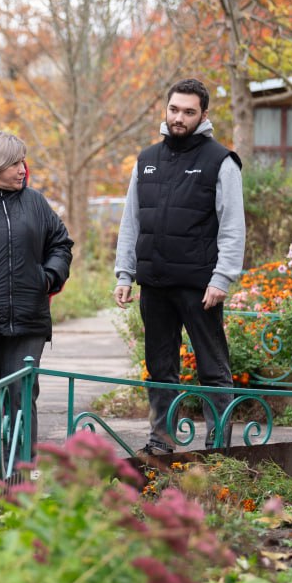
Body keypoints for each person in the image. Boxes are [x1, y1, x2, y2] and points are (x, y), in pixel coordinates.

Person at [113, 78, 245, 455]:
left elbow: (234, 226)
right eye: (174, 110)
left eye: (188, 111)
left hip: (200, 286)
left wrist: (222, 278)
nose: (179, 118)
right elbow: (131, 221)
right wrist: (125, 273)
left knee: (213, 369)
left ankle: (218, 446)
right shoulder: (147, 160)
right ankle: (161, 440)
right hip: (154, 283)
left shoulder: (221, 161)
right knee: (159, 369)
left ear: (204, 115)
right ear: (166, 110)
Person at [0, 131, 73, 473]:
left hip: (28, 321)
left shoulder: (34, 202)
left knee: (22, 399)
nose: (23, 169)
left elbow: (61, 244)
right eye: (14, 163)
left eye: (23, 161)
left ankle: (18, 480)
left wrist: (47, 277)